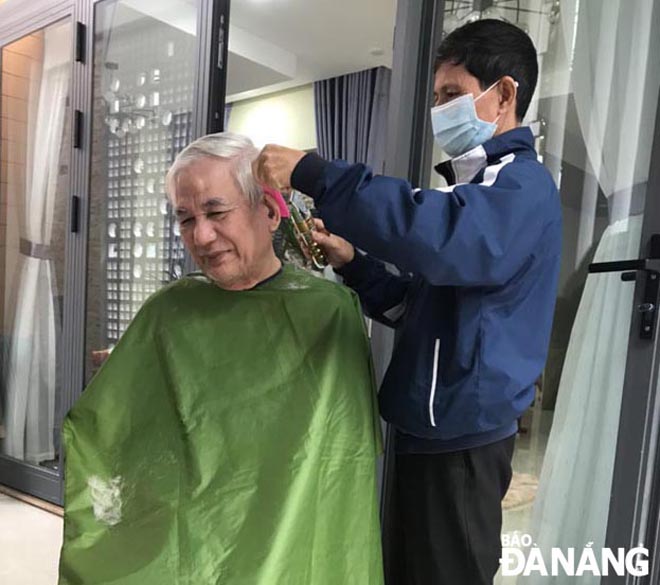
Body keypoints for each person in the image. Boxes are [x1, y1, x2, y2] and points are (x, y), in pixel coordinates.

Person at [254, 19, 562, 585]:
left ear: (505, 94)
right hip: (423, 427)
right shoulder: (473, 193)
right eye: (437, 96)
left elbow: (441, 237)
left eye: (453, 95)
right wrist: (353, 261)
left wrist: (316, 173)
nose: (440, 110)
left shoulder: (521, 188)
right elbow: (411, 306)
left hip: (462, 440)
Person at [58, 132, 384, 585]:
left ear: (269, 212)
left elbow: (343, 462)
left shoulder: (329, 312)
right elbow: (111, 427)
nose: (202, 236)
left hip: (289, 540)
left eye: (215, 212)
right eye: (185, 218)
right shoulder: (168, 311)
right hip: (192, 540)